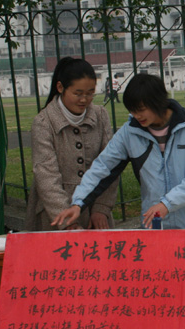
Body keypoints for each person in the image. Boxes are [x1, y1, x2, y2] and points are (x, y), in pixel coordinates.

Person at [52, 73, 185, 230]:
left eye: (141, 109)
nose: (136, 115)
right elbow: (102, 167)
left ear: (158, 102)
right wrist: (78, 203)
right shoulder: (129, 133)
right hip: (156, 225)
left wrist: (167, 204)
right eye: (132, 110)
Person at [25, 57, 117, 231]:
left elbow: (110, 164)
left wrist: (101, 208)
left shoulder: (100, 115)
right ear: (60, 87)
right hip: (54, 213)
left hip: (94, 210)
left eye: (90, 93)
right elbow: (46, 175)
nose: (84, 99)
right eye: (78, 93)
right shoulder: (43, 122)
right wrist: (66, 220)